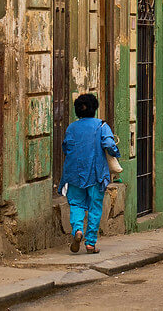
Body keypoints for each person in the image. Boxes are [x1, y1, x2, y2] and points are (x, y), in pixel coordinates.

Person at [60, 93, 120, 254]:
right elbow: (109, 144)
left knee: (76, 204)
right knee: (95, 206)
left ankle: (78, 230)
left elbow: (66, 147)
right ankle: (90, 243)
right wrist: (115, 153)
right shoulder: (101, 126)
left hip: (74, 173)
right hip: (95, 174)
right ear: (94, 108)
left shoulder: (71, 128)